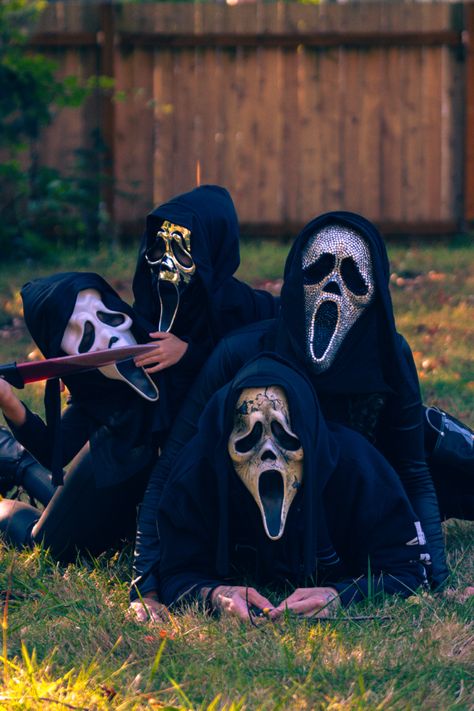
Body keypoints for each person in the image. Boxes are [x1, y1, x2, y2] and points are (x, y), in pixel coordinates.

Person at [131, 210, 473, 619]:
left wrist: (434, 575)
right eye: (320, 270)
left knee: (444, 447)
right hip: (288, 501)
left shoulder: (388, 354)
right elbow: (175, 466)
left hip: (371, 487)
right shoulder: (243, 355)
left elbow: (413, 471)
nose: (332, 287)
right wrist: (145, 587)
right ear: (296, 277)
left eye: (352, 275)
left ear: (375, 290)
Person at [157, 355, 429, 619]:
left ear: (308, 437)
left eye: (283, 435)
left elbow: (406, 569)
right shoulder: (198, 473)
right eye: (248, 438)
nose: (267, 453)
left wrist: (340, 595)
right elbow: (175, 573)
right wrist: (216, 595)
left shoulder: (359, 469)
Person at [0, 272, 160, 559]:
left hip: (125, 498)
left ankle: (10, 455)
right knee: (43, 543)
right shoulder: (96, 394)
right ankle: (12, 457)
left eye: (108, 317)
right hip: (107, 482)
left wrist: (185, 349)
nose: (107, 336)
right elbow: (53, 452)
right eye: (84, 334)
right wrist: (7, 399)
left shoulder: (164, 347)